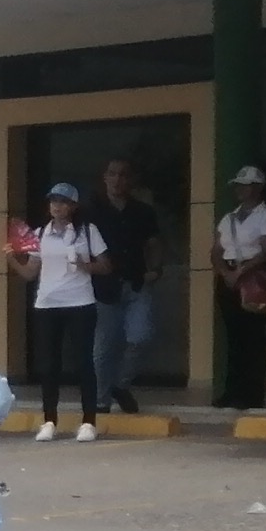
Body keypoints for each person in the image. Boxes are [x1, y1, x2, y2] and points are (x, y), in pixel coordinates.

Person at [13, 183, 106, 441]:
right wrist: (11, 258)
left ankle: (88, 421)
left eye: (63, 201)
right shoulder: (40, 233)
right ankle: (49, 420)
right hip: (47, 304)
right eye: (54, 200)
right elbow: (30, 272)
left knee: (83, 363)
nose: (57, 205)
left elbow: (106, 265)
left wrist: (84, 265)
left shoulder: (87, 231)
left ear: (74, 206)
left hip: (80, 302)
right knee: (49, 364)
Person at [85, 157, 163, 418]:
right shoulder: (90, 211)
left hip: (137, 283)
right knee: (102, 348)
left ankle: (121, 385)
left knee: (140, 337)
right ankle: (101, 399)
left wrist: (155, 268)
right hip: (103, 288)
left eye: (123, 175)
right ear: (105, 178)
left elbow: (153, 243)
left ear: (130, 180)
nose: (118, 180)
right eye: (113, 174)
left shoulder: (142, 211)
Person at [215, 164, 266, 412]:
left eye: (247, 185)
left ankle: (252, 394)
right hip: (229, 278)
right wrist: (225, 272)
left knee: (253, 337)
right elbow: (216, 250)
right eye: (240, 186)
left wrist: (241, 272)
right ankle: (231, 392)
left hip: (253, 278)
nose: (242, 190)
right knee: (233, 337)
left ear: (258, 188)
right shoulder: (228, 218)